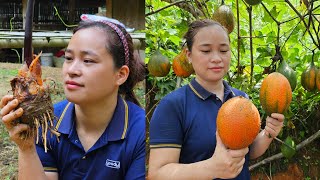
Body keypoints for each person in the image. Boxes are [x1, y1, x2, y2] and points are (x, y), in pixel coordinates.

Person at [0, 15, 145, 180]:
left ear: (120, 74)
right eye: (68, 58)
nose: (72, 70)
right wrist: (26, 149)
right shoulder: (48, 122)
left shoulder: (142, 131)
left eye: (88, 60)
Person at [148, 19, 284, 180]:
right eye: (206, 51)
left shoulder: (242, 99)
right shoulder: (172, 106)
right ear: (189, 55)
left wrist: (268, 133)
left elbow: (248, 152)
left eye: (224, 50)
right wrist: (211, 168)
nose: (217, 58)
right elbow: (157, 174)